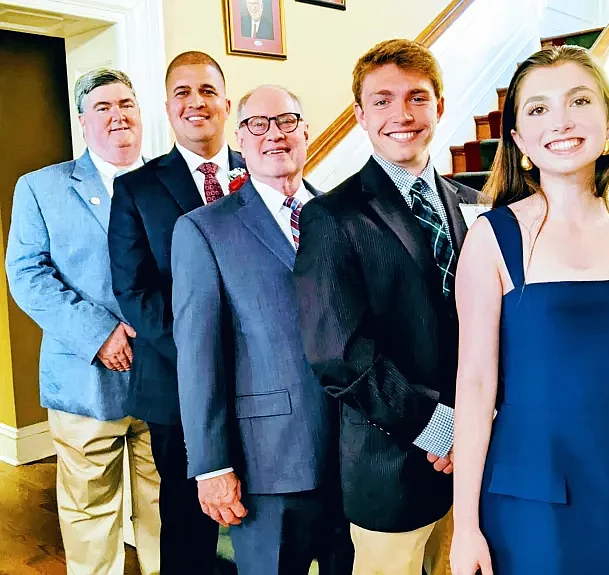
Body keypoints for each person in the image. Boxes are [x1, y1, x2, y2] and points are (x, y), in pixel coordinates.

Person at [450, 45, 609, 575]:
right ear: (518, 140)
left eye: (578, 101)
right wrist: (465, 527)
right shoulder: (492, 238)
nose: (559, 120)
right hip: (532, 496)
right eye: (537, 109)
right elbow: (474, 387)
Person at [293, 39, 478, 575]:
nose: (402, 114)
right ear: (359, 116)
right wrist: (443, 429)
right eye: (382, 100)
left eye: (417, 97)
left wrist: (476, 424)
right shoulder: (332, 215)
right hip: (390, 462)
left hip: (475, 458)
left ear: (439, 106)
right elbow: (339, 356)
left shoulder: (470, 203)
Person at [171, 84, 353, 575]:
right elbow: (198, 358)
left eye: (287, 121)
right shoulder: (204, 230)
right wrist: (211, 465)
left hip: (355, 455)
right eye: (258, 125)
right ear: (241, 138)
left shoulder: (343, 215)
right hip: (267, 465)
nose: (274, 134)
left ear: (306, 131)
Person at [5, 68, 160, 575]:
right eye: (103, 108)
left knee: (164, 504)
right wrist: (99, 333)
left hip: (165, 377)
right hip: (86, 378)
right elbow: (26, 275)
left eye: (127, 105)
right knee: (90, 509)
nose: (118, 116)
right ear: (82, 121)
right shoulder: (40, 188)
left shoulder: (168, 180)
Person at [108, 51, 244, 574]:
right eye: (183, 92)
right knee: (190, 525)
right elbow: (134, 289)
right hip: (176, 383)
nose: (196, 102)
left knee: (263, 513)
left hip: (262, 382)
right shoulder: (137, 188)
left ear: (226, 103)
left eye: (207, 90)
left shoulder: (260, 169)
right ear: (167, 108)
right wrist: (200, 354)